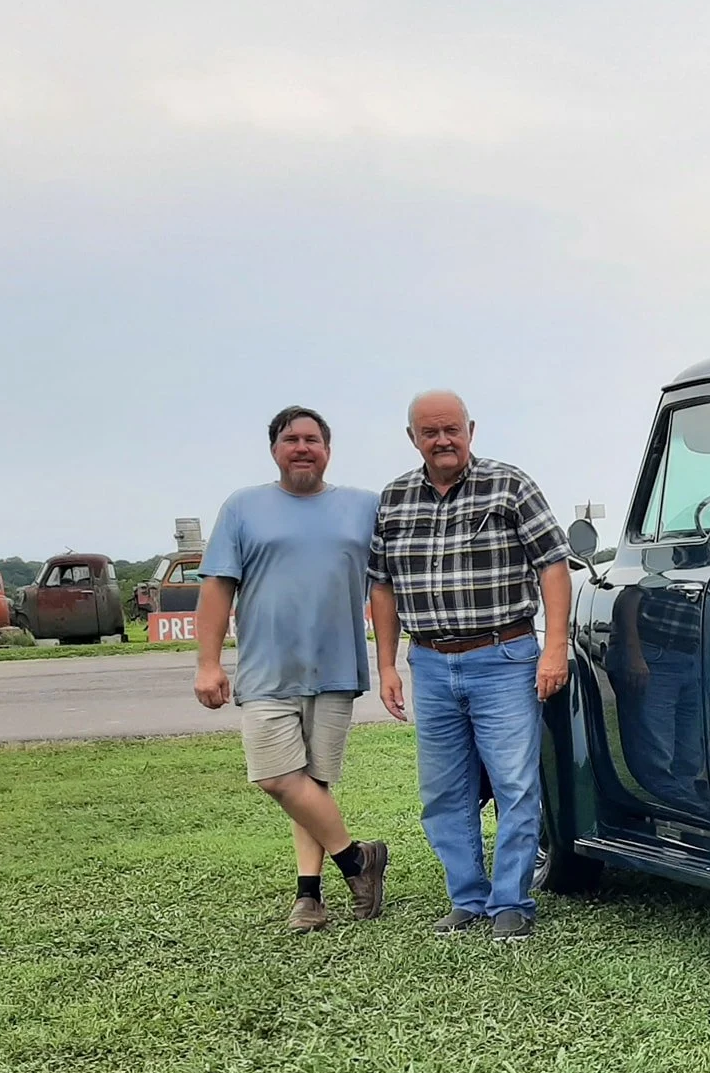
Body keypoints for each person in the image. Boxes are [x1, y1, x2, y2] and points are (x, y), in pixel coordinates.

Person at [368, 390, 571, 943]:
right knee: (444, 792)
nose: (443, 440)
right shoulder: (393, 499)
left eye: (452, 429)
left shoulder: (509, 485)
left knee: (514, 783)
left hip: (503, 657)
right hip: (430, 662)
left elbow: (553, 565)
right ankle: (467, 898)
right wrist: (387, 665)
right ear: (413, 438)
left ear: (471, 430)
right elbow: (381, 586)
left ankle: (511, 902)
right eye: (430, 432)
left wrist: (555, 647)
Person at [195, 406, 389, 931]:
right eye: (290, 439)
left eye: (312, 439)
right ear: (274, 448)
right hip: (265, 670)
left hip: (336, 666)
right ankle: (357, 860)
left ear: (328, 449)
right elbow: (216, 588)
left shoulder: (364, 507)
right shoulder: (243, 507)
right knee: (278, 777)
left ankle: (309, 895)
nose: (301, 447)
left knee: (314, 783)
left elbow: (391, 578)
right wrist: (208, 663)